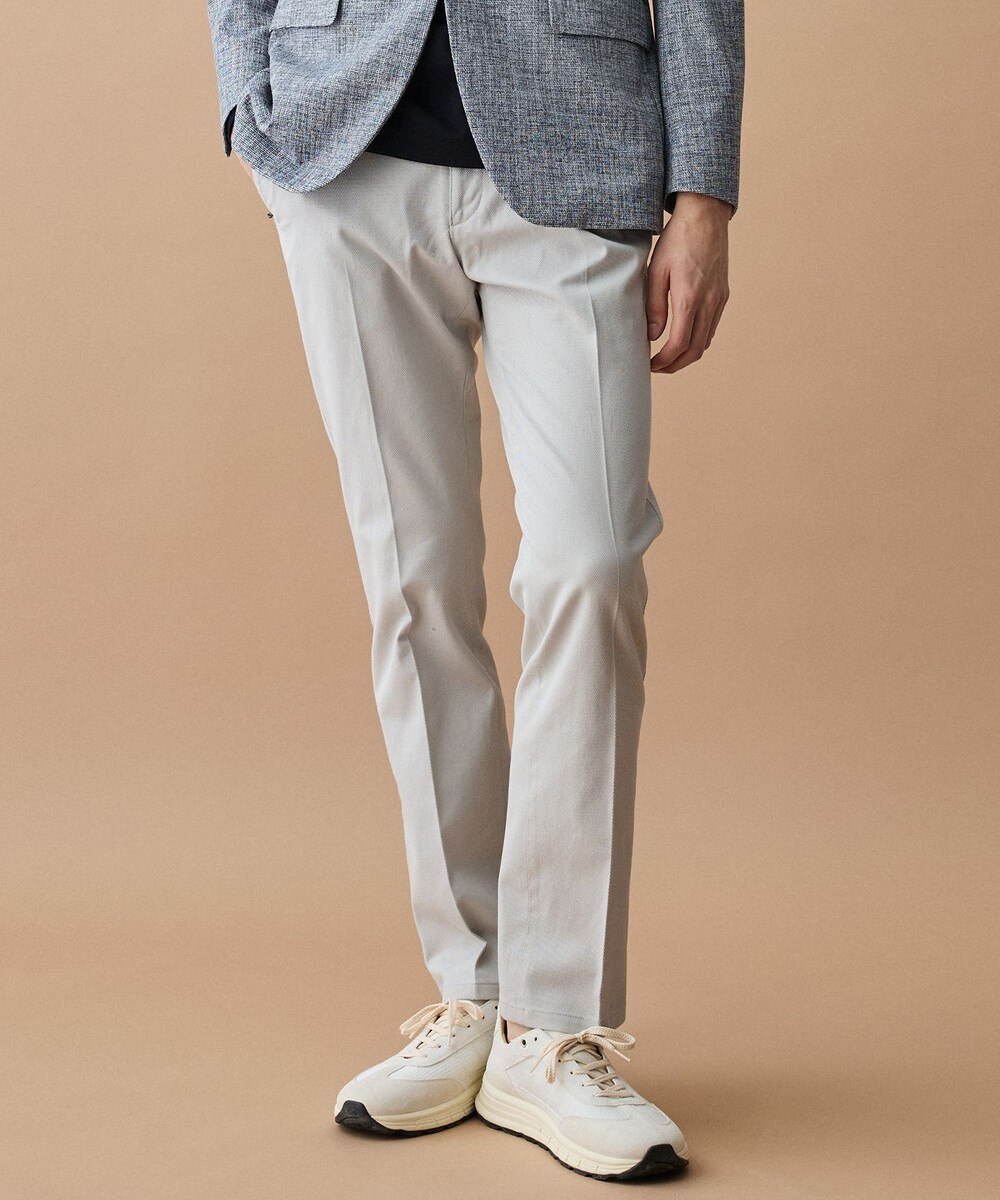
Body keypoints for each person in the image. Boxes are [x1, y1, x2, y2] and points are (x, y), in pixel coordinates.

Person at [207, 0, 743, 1180]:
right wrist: (251, 112)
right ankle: (474, 989)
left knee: (591, 562)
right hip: (342, 148)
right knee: (412, 588)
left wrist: (703, 191)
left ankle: (552, 1027)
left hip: (579, 142)